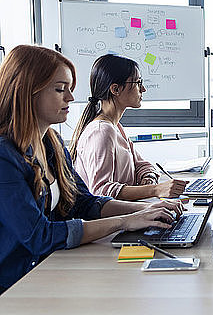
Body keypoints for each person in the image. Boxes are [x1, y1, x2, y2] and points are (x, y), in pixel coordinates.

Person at [0, 45, 183, 293]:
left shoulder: (51, 143)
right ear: (27, 92)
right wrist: (126, 221)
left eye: (70, 89)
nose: (70, 98)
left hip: (54, 267)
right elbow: (39, 236)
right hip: (18, 284)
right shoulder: (5, 157)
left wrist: (147, 210)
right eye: (59, 89)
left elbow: (85, 203)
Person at [69, 54, 187, 200]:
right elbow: (100, 191)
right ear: (115, 89)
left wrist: (148, 178)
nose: (143, 89)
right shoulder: (102, 132)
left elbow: (142, 165)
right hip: (109, 220)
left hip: (126, 213)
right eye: (137, 82)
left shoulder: (115, 127)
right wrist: (154, 190)